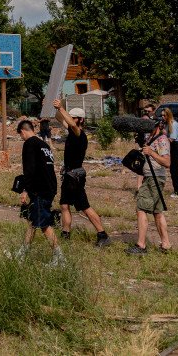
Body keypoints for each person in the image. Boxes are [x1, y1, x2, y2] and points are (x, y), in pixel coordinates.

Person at [52, 101, 109, 247]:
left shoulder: (79, 134)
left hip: (75, 177)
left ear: (81, 120)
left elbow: (71, 124)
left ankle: (102, 234)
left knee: (84, 206)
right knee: (64, 205)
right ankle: (65, 233)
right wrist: (52, 106)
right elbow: (60, 118)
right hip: (69, 175)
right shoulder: (71, 131)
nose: (71, 119)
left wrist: (61, 107)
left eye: (74, 117)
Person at [15, 119, 65, 265]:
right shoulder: (44, 144)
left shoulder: (29, 144)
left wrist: (25, 189)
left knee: (43, 224)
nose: (21, 138)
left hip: (39, 190)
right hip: (50, 187)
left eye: (20, 135)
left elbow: (29, 169)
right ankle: (22, 253)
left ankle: (59, 257)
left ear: (23, 131)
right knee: (33, 221)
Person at [127, 118, 172, 255]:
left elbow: (167, 162)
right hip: (150, 177)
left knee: (141, 208)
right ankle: (166, 245)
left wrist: (151, 153)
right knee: (157, 212)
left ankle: (141, 246)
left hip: (155, 178)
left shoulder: (162, 139)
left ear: (158, 125)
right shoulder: (150, 137)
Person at [165, 108, 178, 197]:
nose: (162, 117)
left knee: (176, 169)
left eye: (164, 115)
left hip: (177, 146)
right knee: (173, 169)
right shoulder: (168, 124)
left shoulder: (173, 124)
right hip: (173, 147)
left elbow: (172, 139)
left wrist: (163, 135)